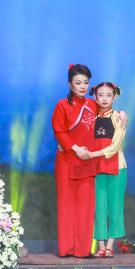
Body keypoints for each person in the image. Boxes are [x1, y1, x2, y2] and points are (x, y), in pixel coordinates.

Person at [51, 64, 99, 258]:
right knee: (66, 205)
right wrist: (75, 148)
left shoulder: (93, 105)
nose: (82, 86)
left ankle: (83, 250)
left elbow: (107, 115)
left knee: (86, 207)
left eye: (85, 83)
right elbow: (59, 131)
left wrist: (122, 114)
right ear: (69, 84)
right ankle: (66, 249)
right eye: (78, 83)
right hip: (67, 160)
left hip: (87, 161)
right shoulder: (62, 105)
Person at [87, 82, 127, 258]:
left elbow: (115, 145)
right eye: (100, 95)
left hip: (117, 167)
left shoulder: (119, 117)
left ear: (115, 97)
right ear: (95, 97)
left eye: (108, 95)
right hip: (95, 168)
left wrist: (93, 154)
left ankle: (110, 245)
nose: (104, 99)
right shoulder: (90, 118)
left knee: (115, 207)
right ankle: (101, 246)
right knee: (98, 207)